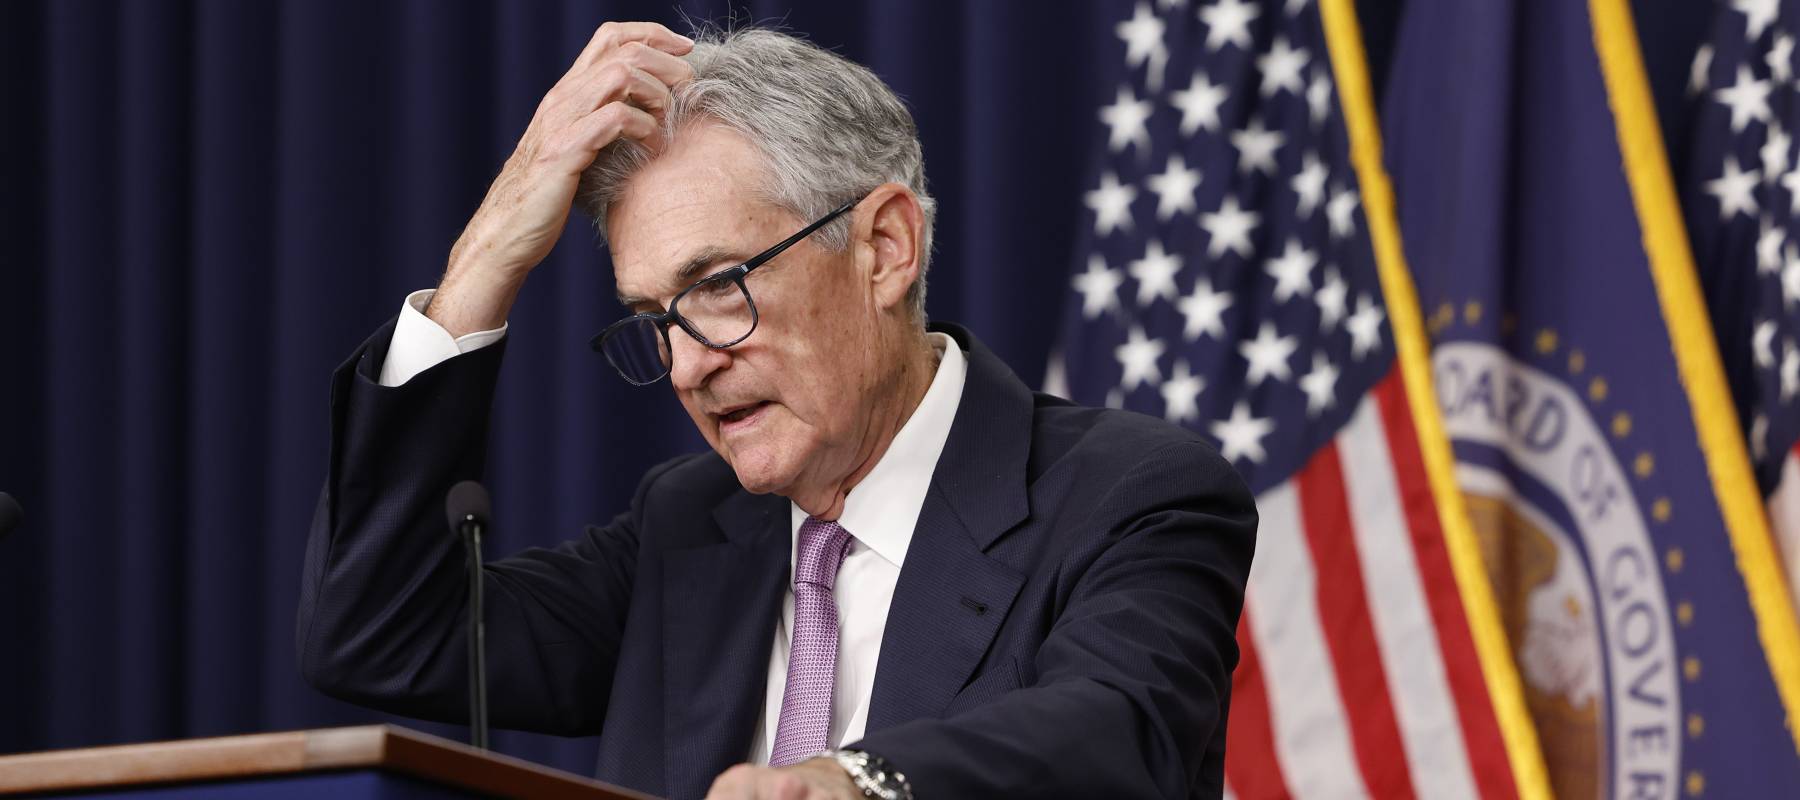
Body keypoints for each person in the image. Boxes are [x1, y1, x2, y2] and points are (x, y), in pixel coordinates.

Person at [297, 22, 1256, 800]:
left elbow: (1119, 731)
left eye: (719, 286)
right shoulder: (687, 529)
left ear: (884, 248)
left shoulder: (1131, 496)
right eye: (654, 318)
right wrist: (488, 255)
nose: (686, 365)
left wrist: (852, 785)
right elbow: (379, 632)